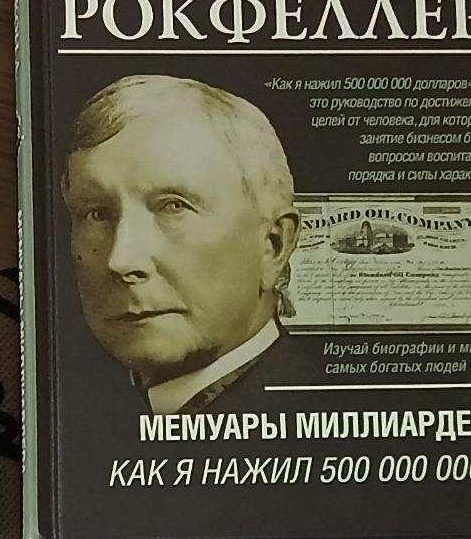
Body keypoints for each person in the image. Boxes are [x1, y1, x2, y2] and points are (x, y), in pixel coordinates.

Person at [60, 74, 304, 414]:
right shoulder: (81, 409)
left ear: (272, 245)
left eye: (173, 207)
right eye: (97, 214)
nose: (121, 259)